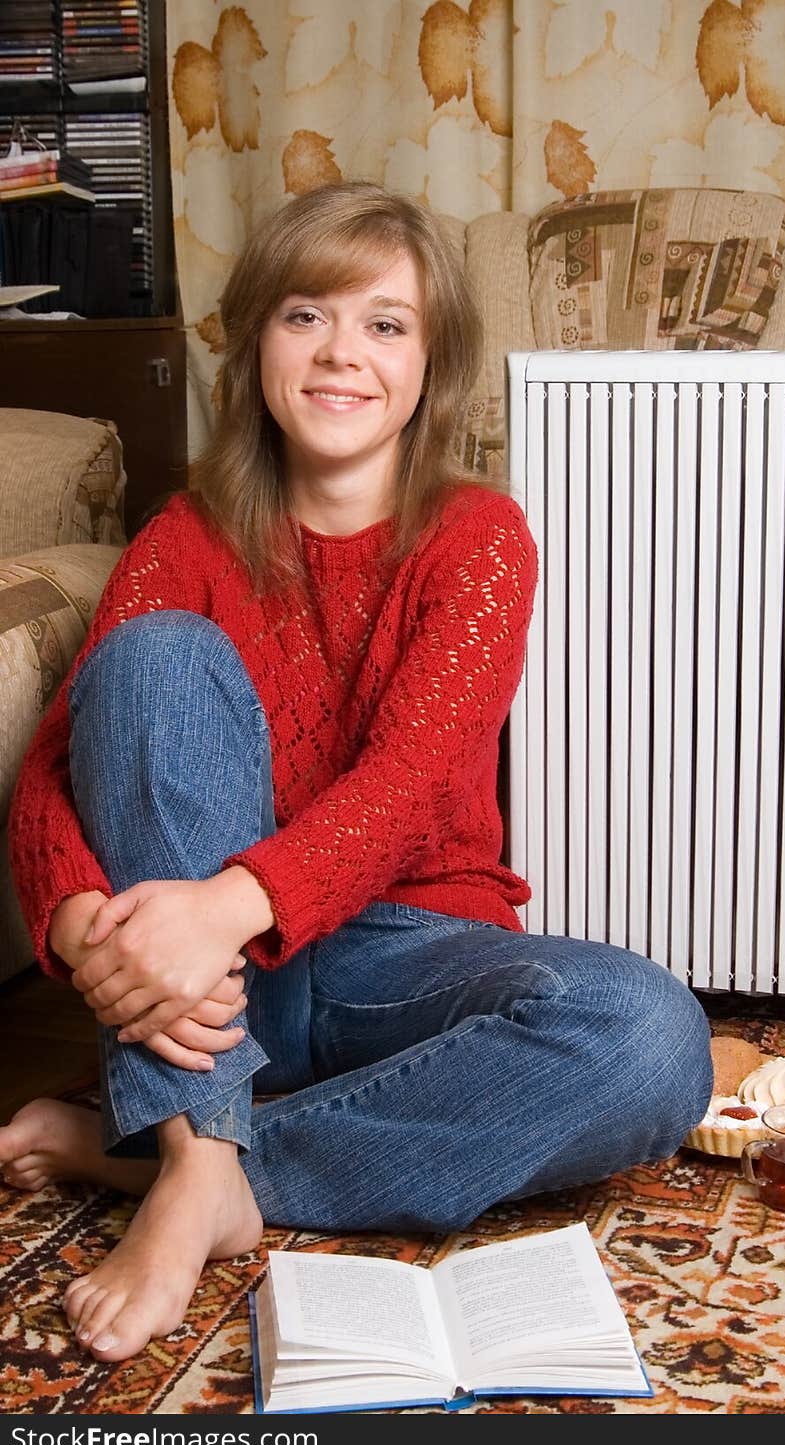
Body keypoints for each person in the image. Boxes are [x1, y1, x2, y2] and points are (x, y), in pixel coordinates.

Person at [0, 181, 713, 1365]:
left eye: (385, 324)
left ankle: (189, 1158)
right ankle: (194, 1154)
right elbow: (54, 769)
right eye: (306, 316)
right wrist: (87, 929)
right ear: (255, 347)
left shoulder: (479, 537)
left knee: (647, 1033)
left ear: (431, 363)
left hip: (404, 952)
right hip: (224, 985)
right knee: (152, 656)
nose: (343, 354)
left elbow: (405, 784)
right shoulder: (186, 536)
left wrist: (223, 905)